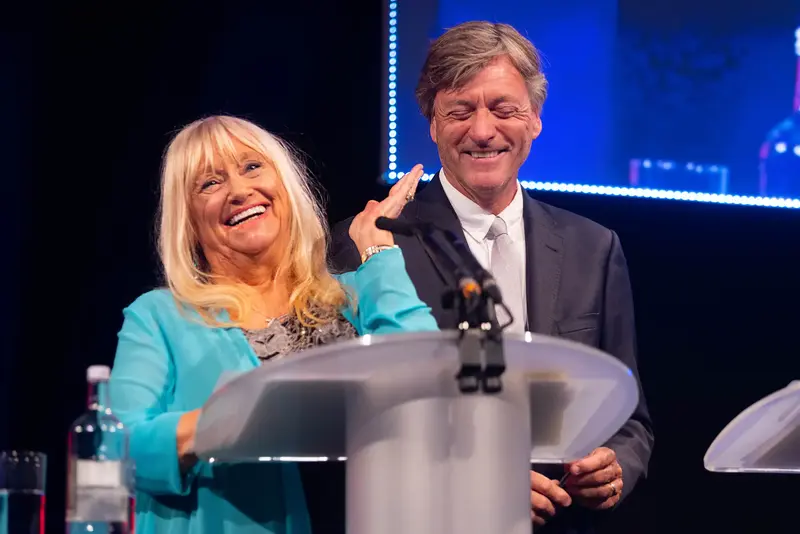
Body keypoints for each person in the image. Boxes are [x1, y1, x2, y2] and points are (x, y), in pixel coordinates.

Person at [331, 21, 654, 532]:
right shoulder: (372, 241)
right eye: (460, 111)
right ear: (433, 125)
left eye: (504, 109)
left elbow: (629, 415)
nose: (483, 131)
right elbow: (345, 415)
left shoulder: (594, 247)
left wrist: (615, 465)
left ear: (535, 120)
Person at [109, 115, 436, 534]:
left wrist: (377, 251)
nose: (239, 191)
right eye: (210, 183)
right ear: (188, 220)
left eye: (251, 167)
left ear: (284, 184)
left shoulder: (355, 297)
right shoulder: (160, 317)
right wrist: (218, 421)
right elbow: (114, 450)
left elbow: (427, 376)